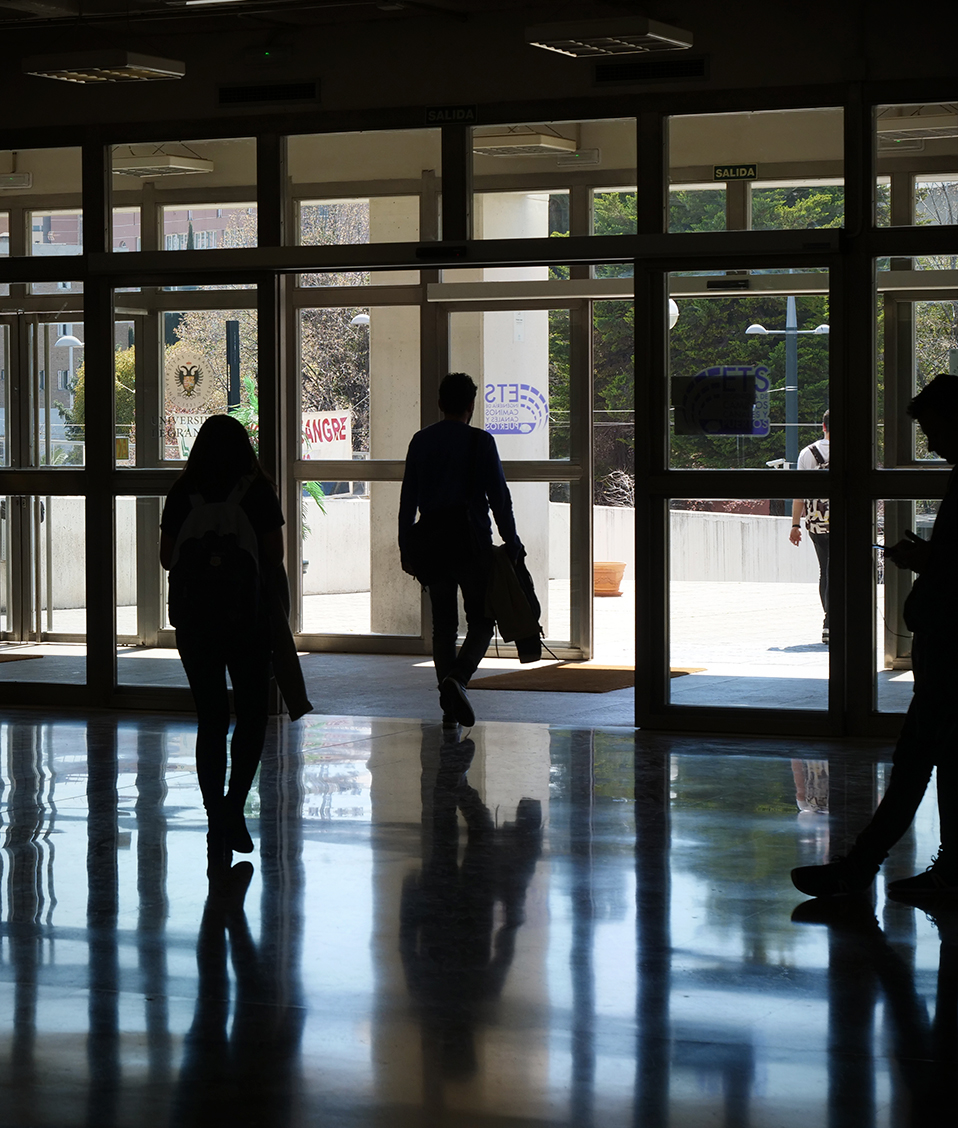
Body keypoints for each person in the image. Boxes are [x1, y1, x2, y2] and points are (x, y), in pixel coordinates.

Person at [792, 375, 958, 900]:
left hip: (953, 644)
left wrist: (928, 562)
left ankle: (862, 867)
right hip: (947, 640)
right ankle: (916, 868)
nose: (928, 444)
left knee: (913, 763)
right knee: (924, 762)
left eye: (932, 430)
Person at [160, 414, 285, 876]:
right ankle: (234, 806)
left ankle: (217, 822)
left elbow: (165, 556)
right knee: (251, 716)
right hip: (246, 620)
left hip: (195, 622)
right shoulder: (256, 490)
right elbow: (274, 555)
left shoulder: (182, 491)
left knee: (210, 720)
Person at [398, 372, 522, 728]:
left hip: (432, 544)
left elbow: (408, 501)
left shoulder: (421, 442)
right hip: (472, 544)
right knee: (482, 620)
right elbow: (500, 500)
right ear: (471, 405)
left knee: (443, 627)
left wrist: (406, 546)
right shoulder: (480, 442)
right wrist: (511, 543)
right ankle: (459, 678)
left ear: (440, 403)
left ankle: (448, 706)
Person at [789, 410, 830, 644]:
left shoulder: (807, 453)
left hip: (816, 523)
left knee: (825, 570)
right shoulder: (853, 449)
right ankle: (832, 622)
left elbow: (799, 493)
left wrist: (795, 525)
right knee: (838, 570)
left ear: (822, 426)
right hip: (843, 520)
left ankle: (828, 620)